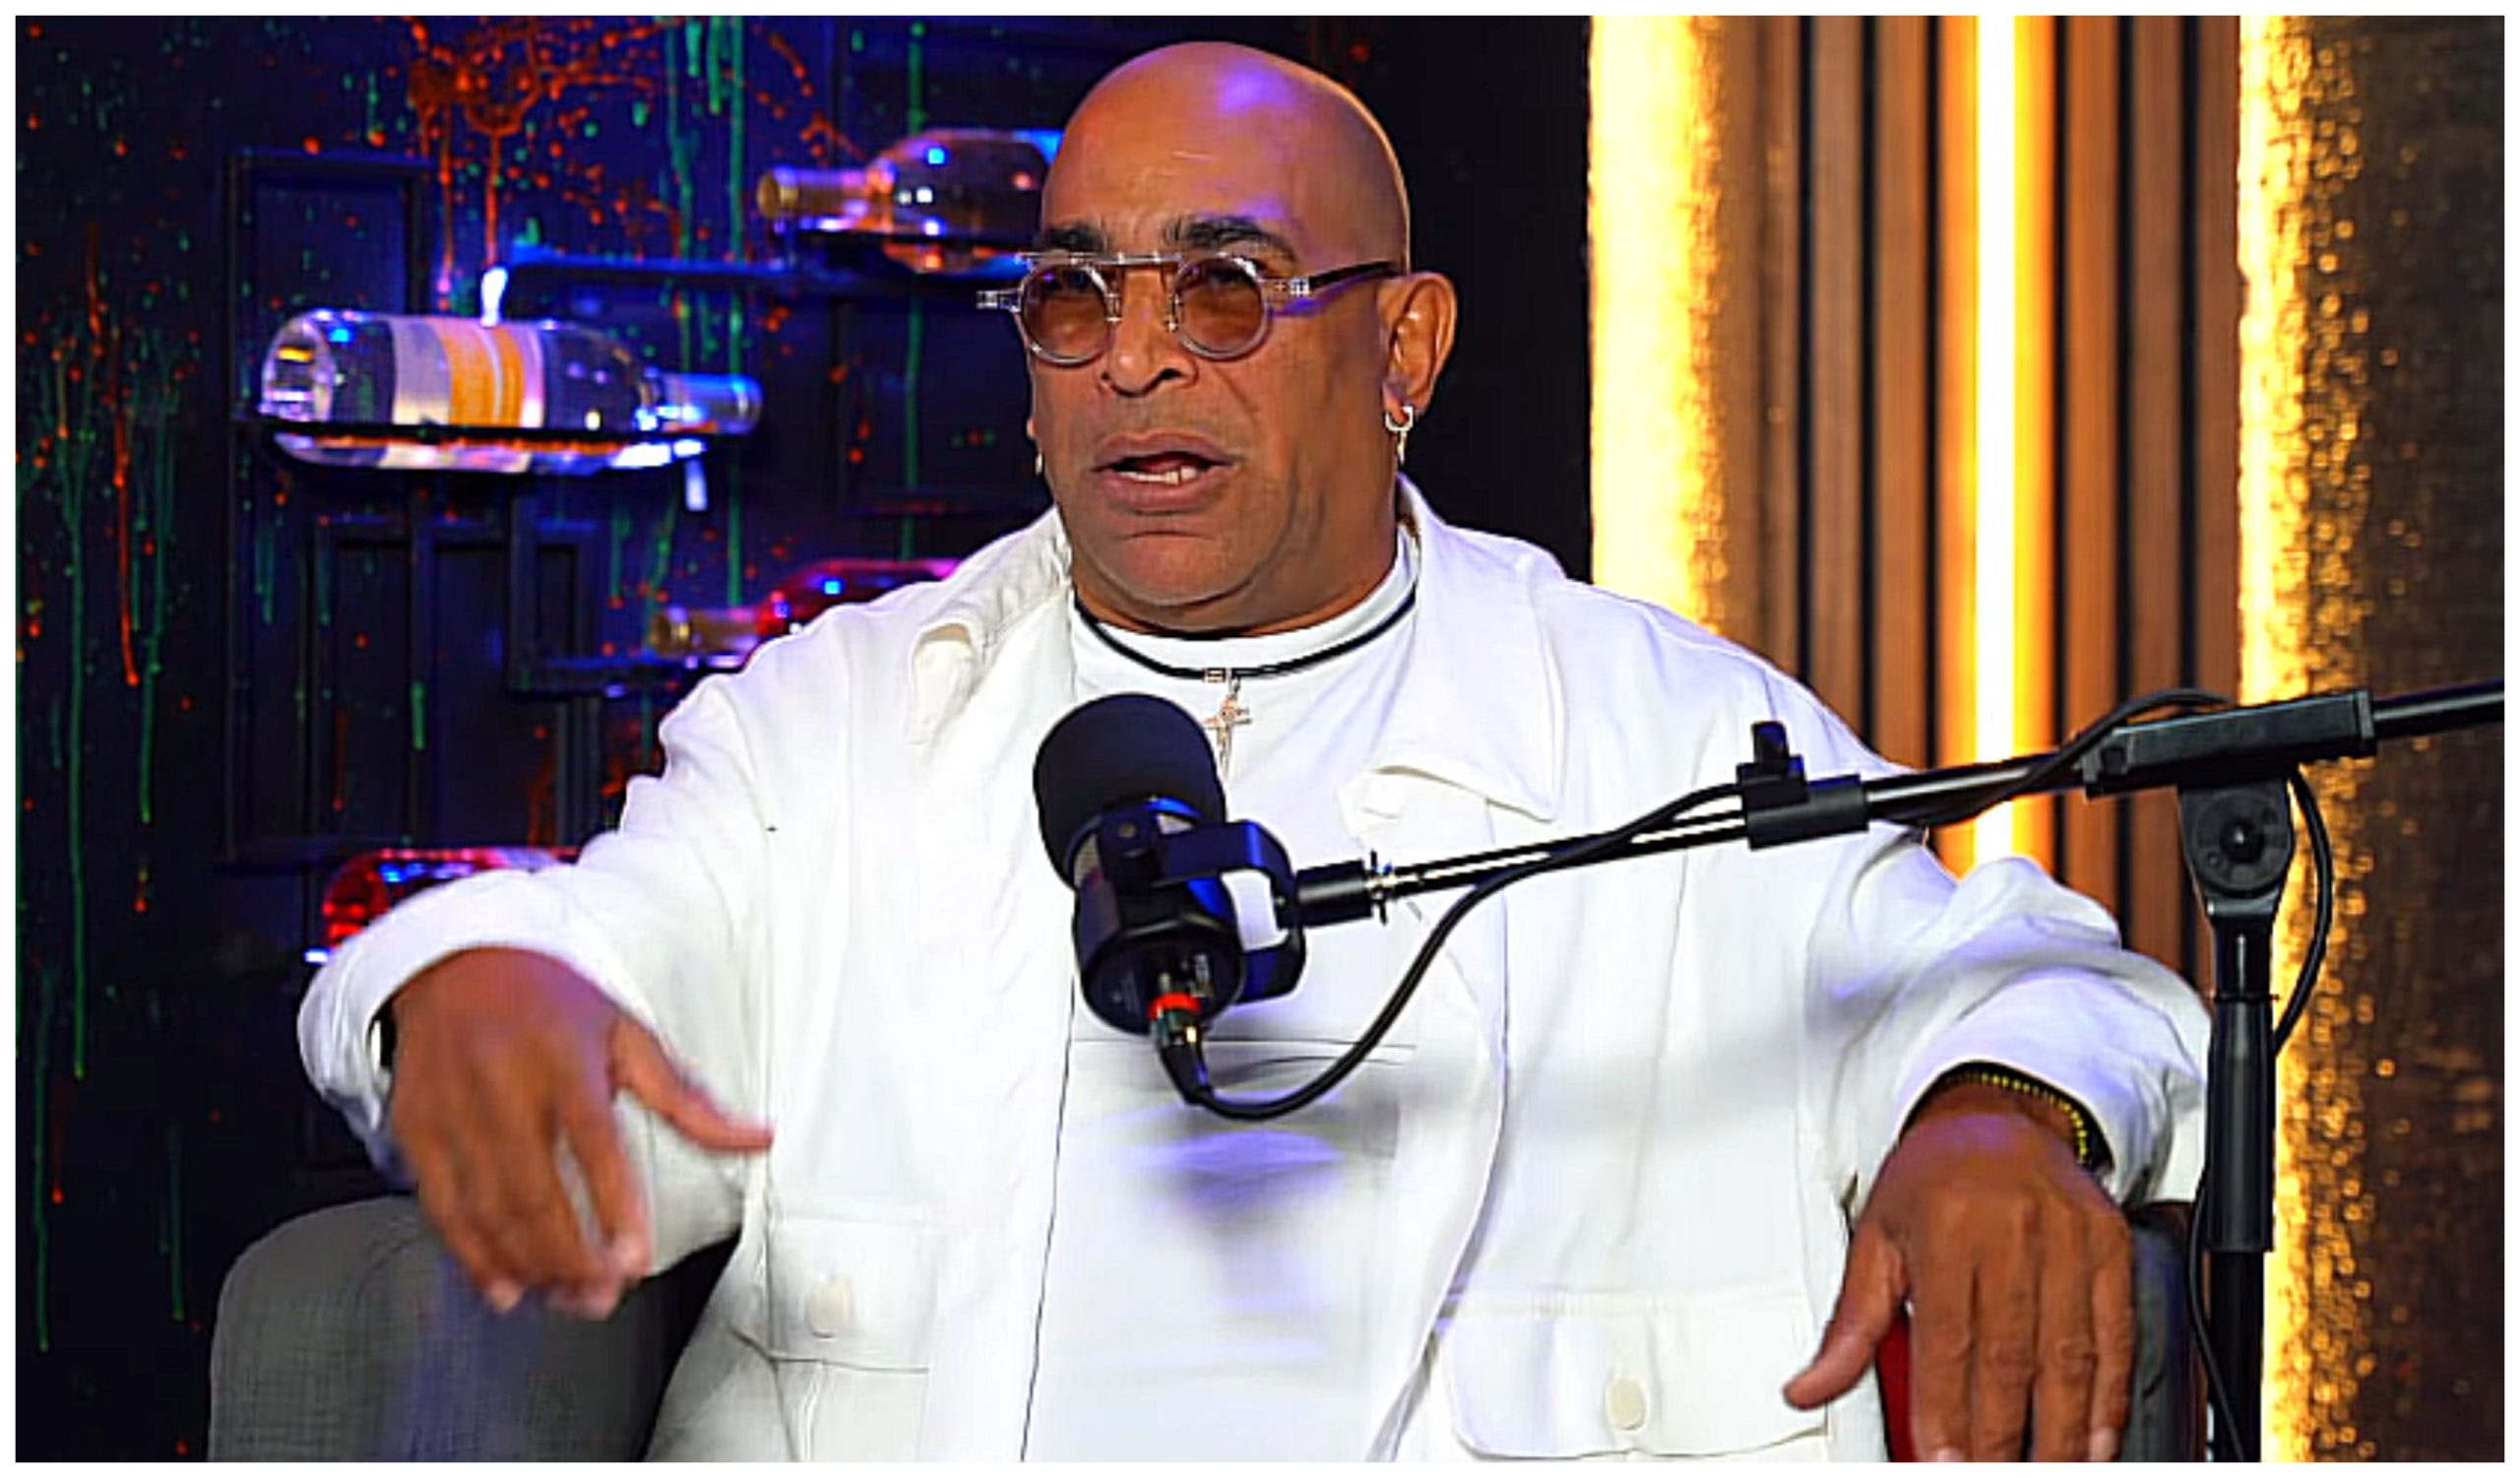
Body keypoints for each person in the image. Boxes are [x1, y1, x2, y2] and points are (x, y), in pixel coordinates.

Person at [300, 41, 2207, 1461]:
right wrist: (469, 980)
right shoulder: (843, 723)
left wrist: (1994, 1112)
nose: (1135, 358)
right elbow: (602, 965)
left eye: (1223, 288)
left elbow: (2031, 982)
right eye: (1072, 297)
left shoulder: (1657, 728)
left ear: (1404, 353)